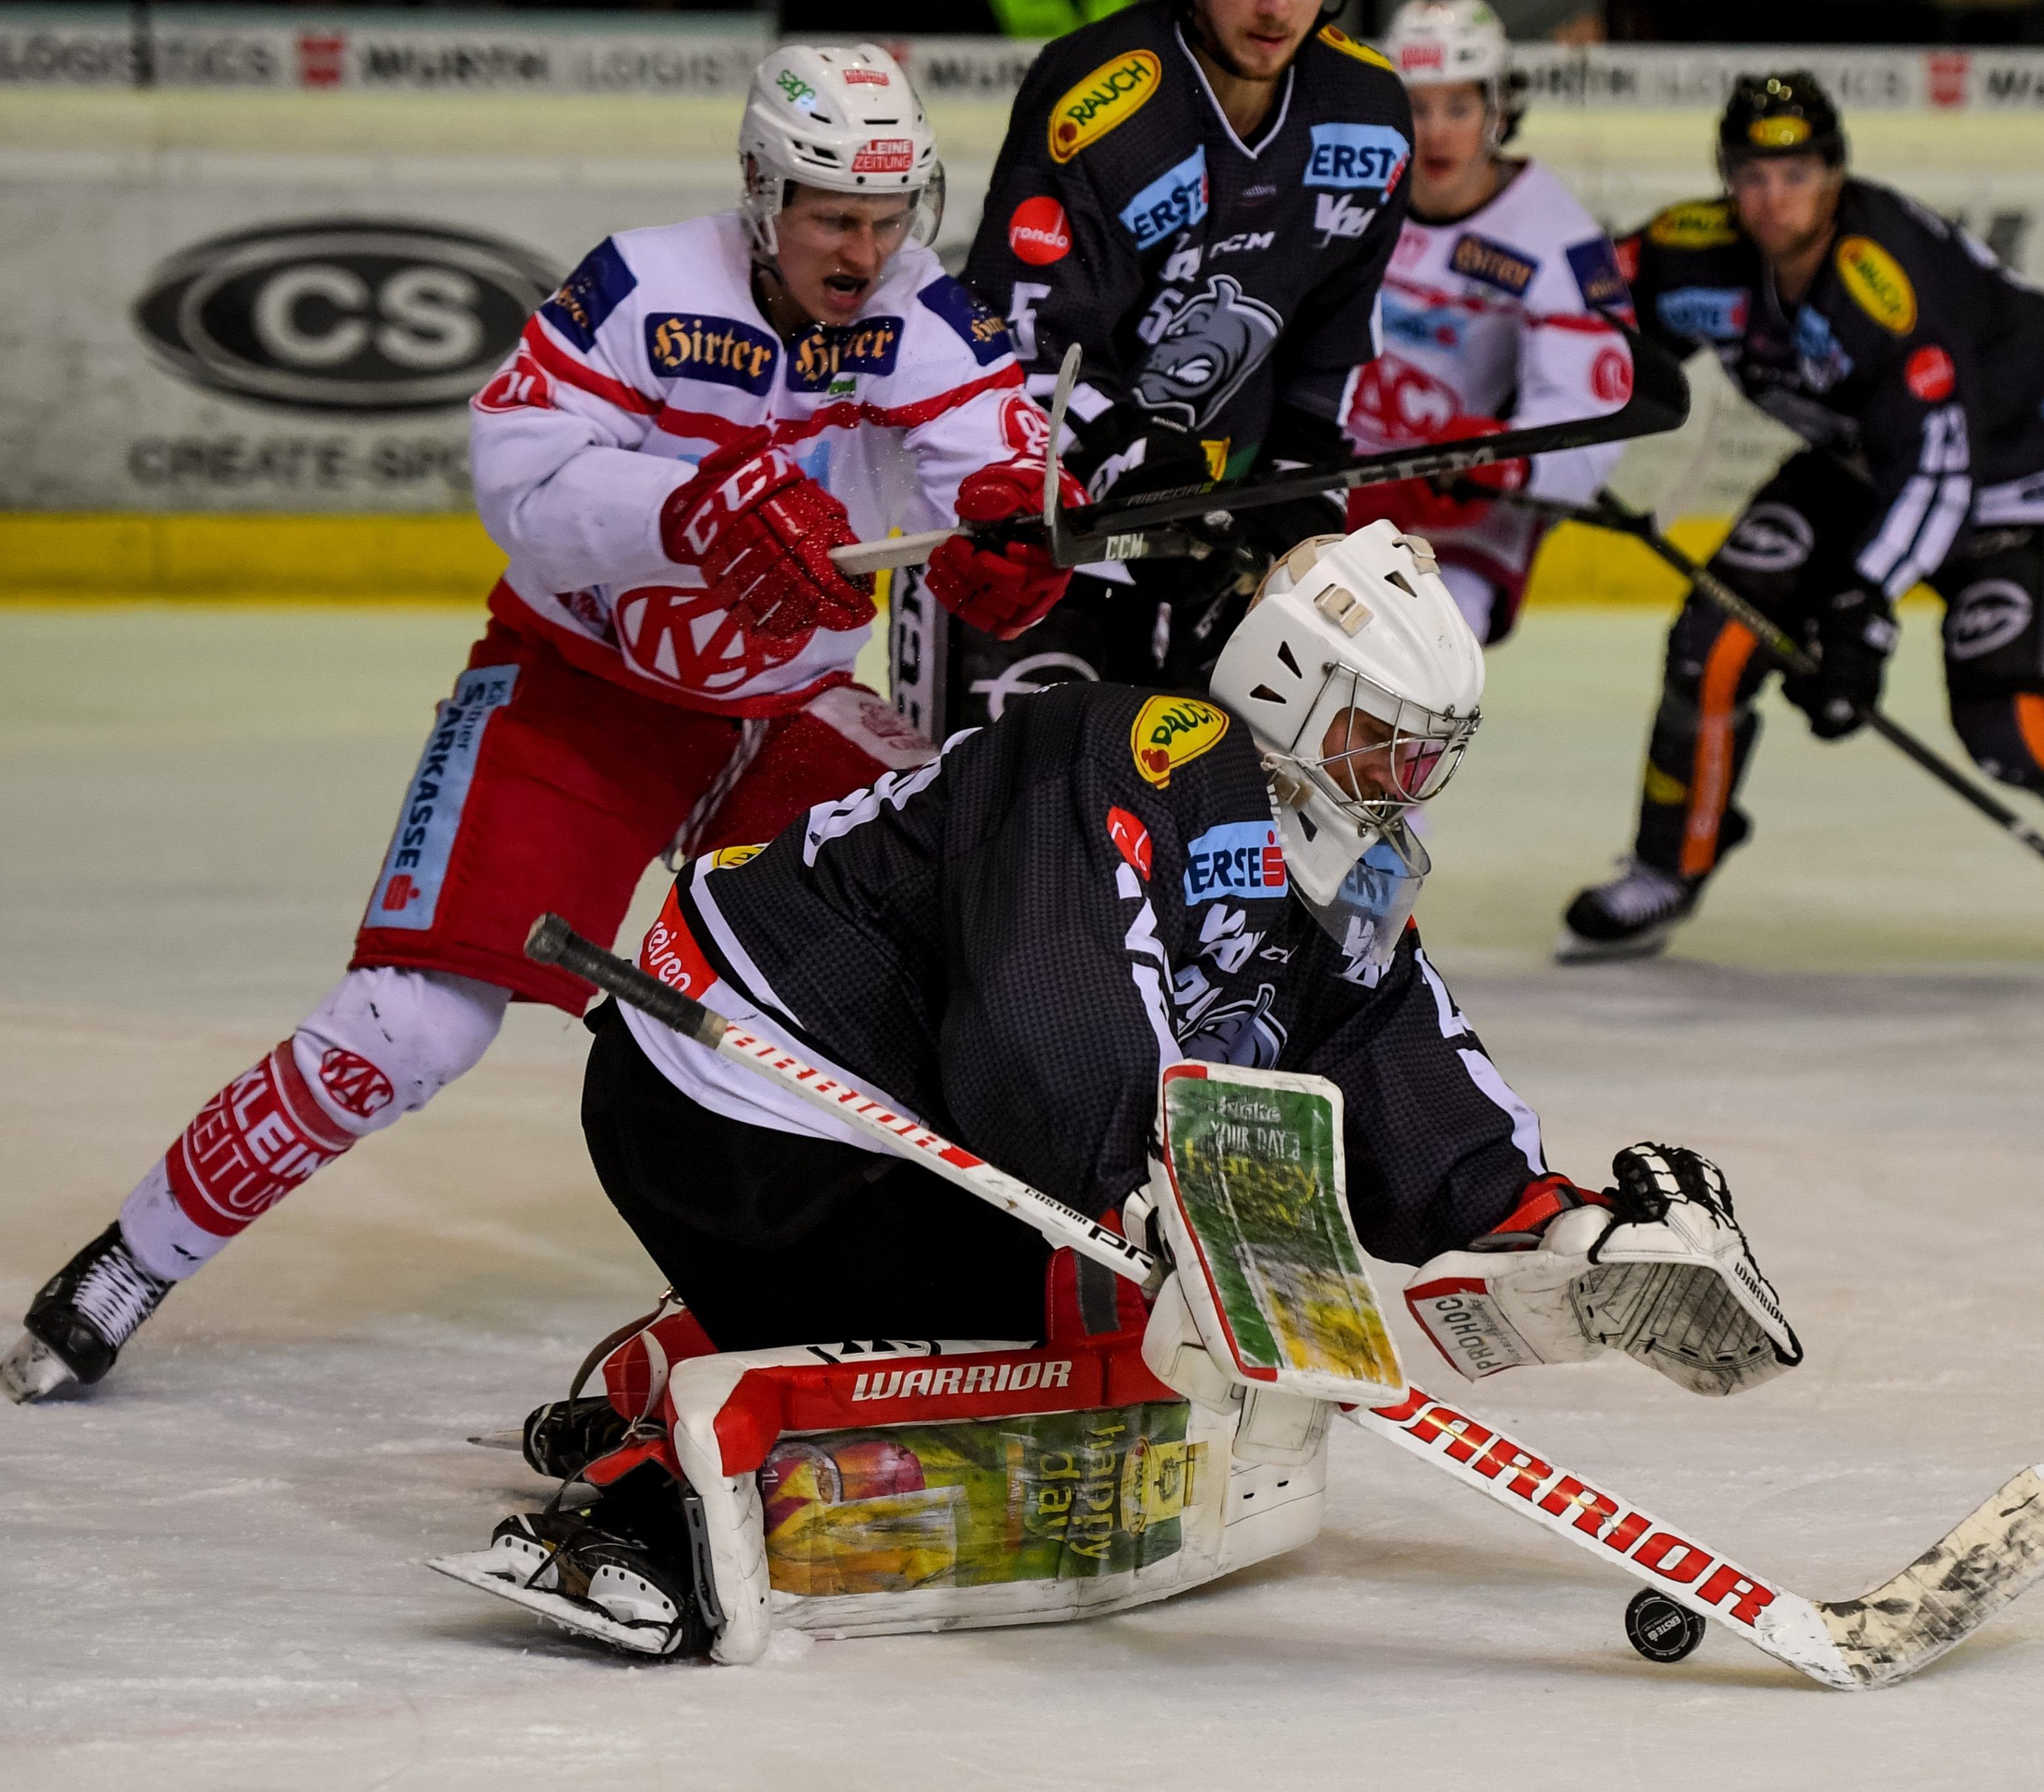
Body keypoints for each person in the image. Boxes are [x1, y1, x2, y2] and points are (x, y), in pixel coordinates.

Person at [447, 521, 1801, 1657]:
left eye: (1426, 750)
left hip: (885, 1133)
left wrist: (1553, 1220)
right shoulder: (1123, 745)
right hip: (740, 1098)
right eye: (1382, 742)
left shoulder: (1344, 858)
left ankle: (670, 1363)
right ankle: (647, 1499)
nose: (1407, 781)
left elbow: (1383, 1034)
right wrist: (1157, 1195)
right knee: (1074, 1342)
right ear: (1287, 688)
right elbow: (1047, 980)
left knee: (1118, 1342)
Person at [3, 43, 1081, 1404]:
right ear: (757, 190)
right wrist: (681, 512)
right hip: (581, 691)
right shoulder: (637, 286)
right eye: (828, 217)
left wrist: (1009, 544)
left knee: (967, 930)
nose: (861, 252)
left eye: (883, 219)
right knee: (413, 1022)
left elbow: (986, 466)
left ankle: (967, 1286)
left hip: (782, 712)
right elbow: (517, 481)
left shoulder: (932, 315)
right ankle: (137, 1256)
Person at [1559, 72, 2044, 965]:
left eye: (1795, 173)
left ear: (1834, 174)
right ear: (1726, 175)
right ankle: (1670, 863)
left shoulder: (1883, 284)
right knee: (1710, 646)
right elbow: (1578, 306)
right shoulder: (1692, 245)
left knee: (2012, 730)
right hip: (1859, 460)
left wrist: (1862, 609)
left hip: (2015, 478)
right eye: (1752, 175)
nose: (1771, 198)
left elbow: (1942, 469)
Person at [899, 0, 1413, 738]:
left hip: (1213, 534)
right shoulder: (1104, 100)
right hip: (1034, 535)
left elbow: (1330, 339)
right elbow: (1022, 344)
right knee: (994, 828)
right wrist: (1135, 468)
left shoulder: (1367, 111)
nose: (1273, 9)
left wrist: (1303, 490)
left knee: (1195, 831)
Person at [1342, 0, 1637, 646]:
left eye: (1459, 107)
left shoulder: (1559, 240)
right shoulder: (1348, 193)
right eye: (1417, 107)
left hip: (1455, 530)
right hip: (1325, 496)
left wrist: (1507, 460)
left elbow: (1592, 414)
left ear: (1497, 109)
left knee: (1403, 685)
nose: (1436, 133)